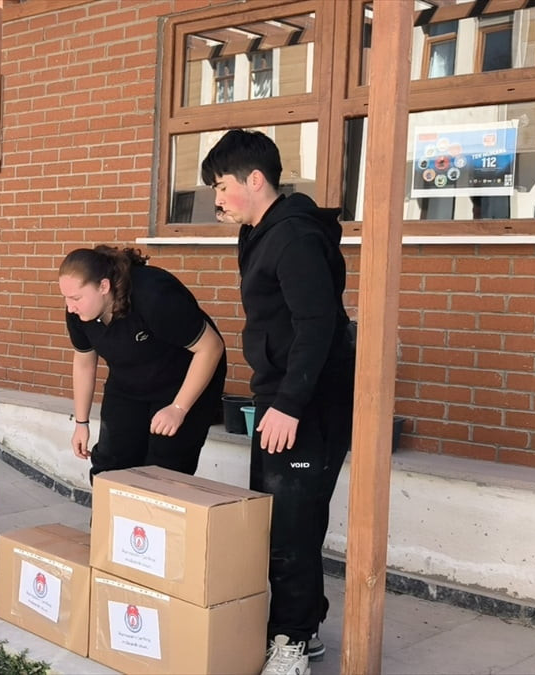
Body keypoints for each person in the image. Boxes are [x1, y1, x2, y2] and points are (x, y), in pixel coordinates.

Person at [201, 129, 356, 675]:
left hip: (307, 402)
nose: (215, 198)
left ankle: (291, 641)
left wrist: (289, 405)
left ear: (256, 180)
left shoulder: (293, 236)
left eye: (221, 186)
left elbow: (317, 323)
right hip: (281, 394)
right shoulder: (260, 232)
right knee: (281, 521)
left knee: (291, 525)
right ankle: (303, 626)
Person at [58, 246, 227, 479]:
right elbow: (84, 363)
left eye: (76, 298)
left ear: (104, 286)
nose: (70, 307)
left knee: (164, 470)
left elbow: (211, 347)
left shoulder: (154, 295)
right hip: (128, 381)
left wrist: (179, 408)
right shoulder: (78, 313)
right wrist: (81, 422)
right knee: (111, 463)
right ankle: (108, 515)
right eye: (66, 298)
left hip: (183, 381)